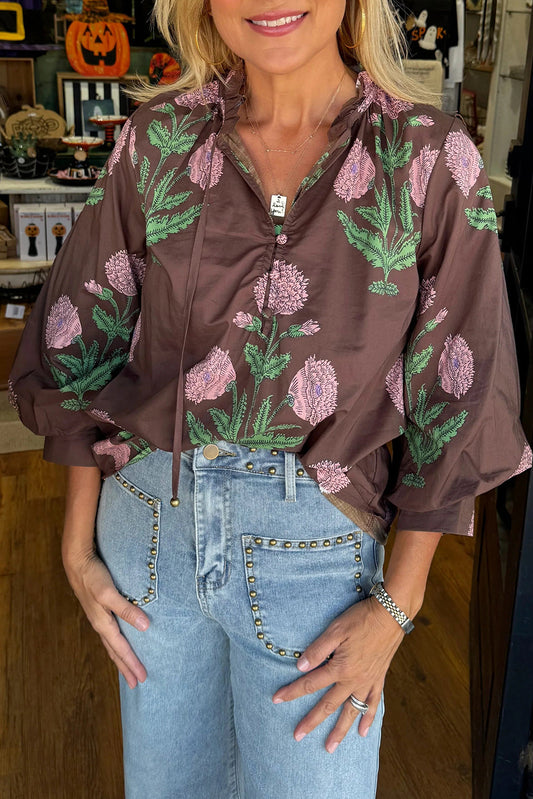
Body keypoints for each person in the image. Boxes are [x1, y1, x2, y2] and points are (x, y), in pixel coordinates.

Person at [9, 0, 531, 797]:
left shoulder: (425, 155)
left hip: (314, 553)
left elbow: (457, 388)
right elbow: (82, 335)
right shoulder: (159, 139)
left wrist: (398, 604)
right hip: (149, 532)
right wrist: (77, 550)